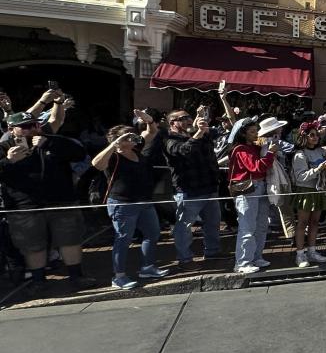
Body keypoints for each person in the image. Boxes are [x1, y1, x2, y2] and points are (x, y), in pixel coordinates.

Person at [0, 111, 97, 292]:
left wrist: (51, 143)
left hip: (61, 200)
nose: (33, 129)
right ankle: (39, 280)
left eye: (35, 125)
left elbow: (79, 154)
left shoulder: (54, 140)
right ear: (11, 129)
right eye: (26, 127)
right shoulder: (4, 147)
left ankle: (76, 276)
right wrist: (8, 161)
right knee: (33, 244)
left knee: (70, 239)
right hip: (25, 206)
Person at [91, 111, 169, 289]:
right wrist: (114, 144)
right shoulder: (114, 156)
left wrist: (149, 120)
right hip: (123, 204)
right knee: (123, 239)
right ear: (117, 140)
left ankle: (147, 267)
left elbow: (151, 133)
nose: (133, 138)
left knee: (152, 233)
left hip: (144, 201)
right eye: (128, 136)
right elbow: (97, 164)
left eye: (132, 134)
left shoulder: (136, 151)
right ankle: (118, 276)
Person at [163, 108, 229, 268]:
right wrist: (198, 132)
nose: (188, 120)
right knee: (184, 227)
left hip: (210, 186)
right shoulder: (169, 139)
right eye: (183, 118)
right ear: (173, 123)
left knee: (213, 223)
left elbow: (225, 134)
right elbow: (185, 150)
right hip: (189, 190)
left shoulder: (201, 133)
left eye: (189, 117)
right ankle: (185, 259)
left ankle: (212, 252)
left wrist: (203, 127)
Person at [228, 118, 279, 274]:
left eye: (256, 130)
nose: (256, 133)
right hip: (248, 188)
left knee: (261, 226)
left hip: (259, 186)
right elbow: (257, 168)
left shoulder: (252, 147)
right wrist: (270, 152)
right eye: (252, 131)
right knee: (247, 227)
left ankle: (255, 257)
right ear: (242, 134)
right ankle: (242, 262)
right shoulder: (241, 149)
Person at [289, 121, 326, 268]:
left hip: (319, 190)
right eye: (311, 135)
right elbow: (300, 177)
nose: (315, 137)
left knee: (315, 222)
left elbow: (325, 168)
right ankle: (300, 254)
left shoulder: (322, 151)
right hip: (306, 191)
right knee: (302, 223)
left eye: (316, 135)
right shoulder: (299, 154)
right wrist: (320, 168)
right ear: (304, 137)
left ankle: (312, 251)